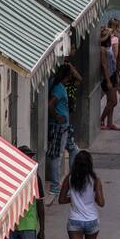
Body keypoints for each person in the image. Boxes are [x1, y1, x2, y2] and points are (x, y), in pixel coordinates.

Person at [57, 149, 105, 239]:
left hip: (75, 221)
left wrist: (73, 199)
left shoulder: (70, 178)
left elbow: (61, 200)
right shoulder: (95, 180)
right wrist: (93, 196)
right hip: (92, 220)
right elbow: (101, 203)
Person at [3, 145, 45, 239]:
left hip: (28, 225)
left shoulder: (35, 178)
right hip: (10, 225)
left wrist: (42, 229)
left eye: (31, 157)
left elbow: (40, 205)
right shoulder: (9, 178)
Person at [46, 64, 81, 194]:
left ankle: (71, 181)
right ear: (66, 76)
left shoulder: (55, 85)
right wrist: (57, 116)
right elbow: (50, 104)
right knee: (57, 156)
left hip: (64, 127)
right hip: (60, 127)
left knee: (74, 150)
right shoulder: (59, 89)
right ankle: (55, 187)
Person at [98, 22, 120, 130]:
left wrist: (116, 74)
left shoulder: (108, 47)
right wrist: (108, 80)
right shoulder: (102, 49)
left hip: (112, 75)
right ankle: (101, 119)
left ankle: (110, 123)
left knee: (110, 101)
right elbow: (104, 66)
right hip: (107, 77)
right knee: (113, 101)